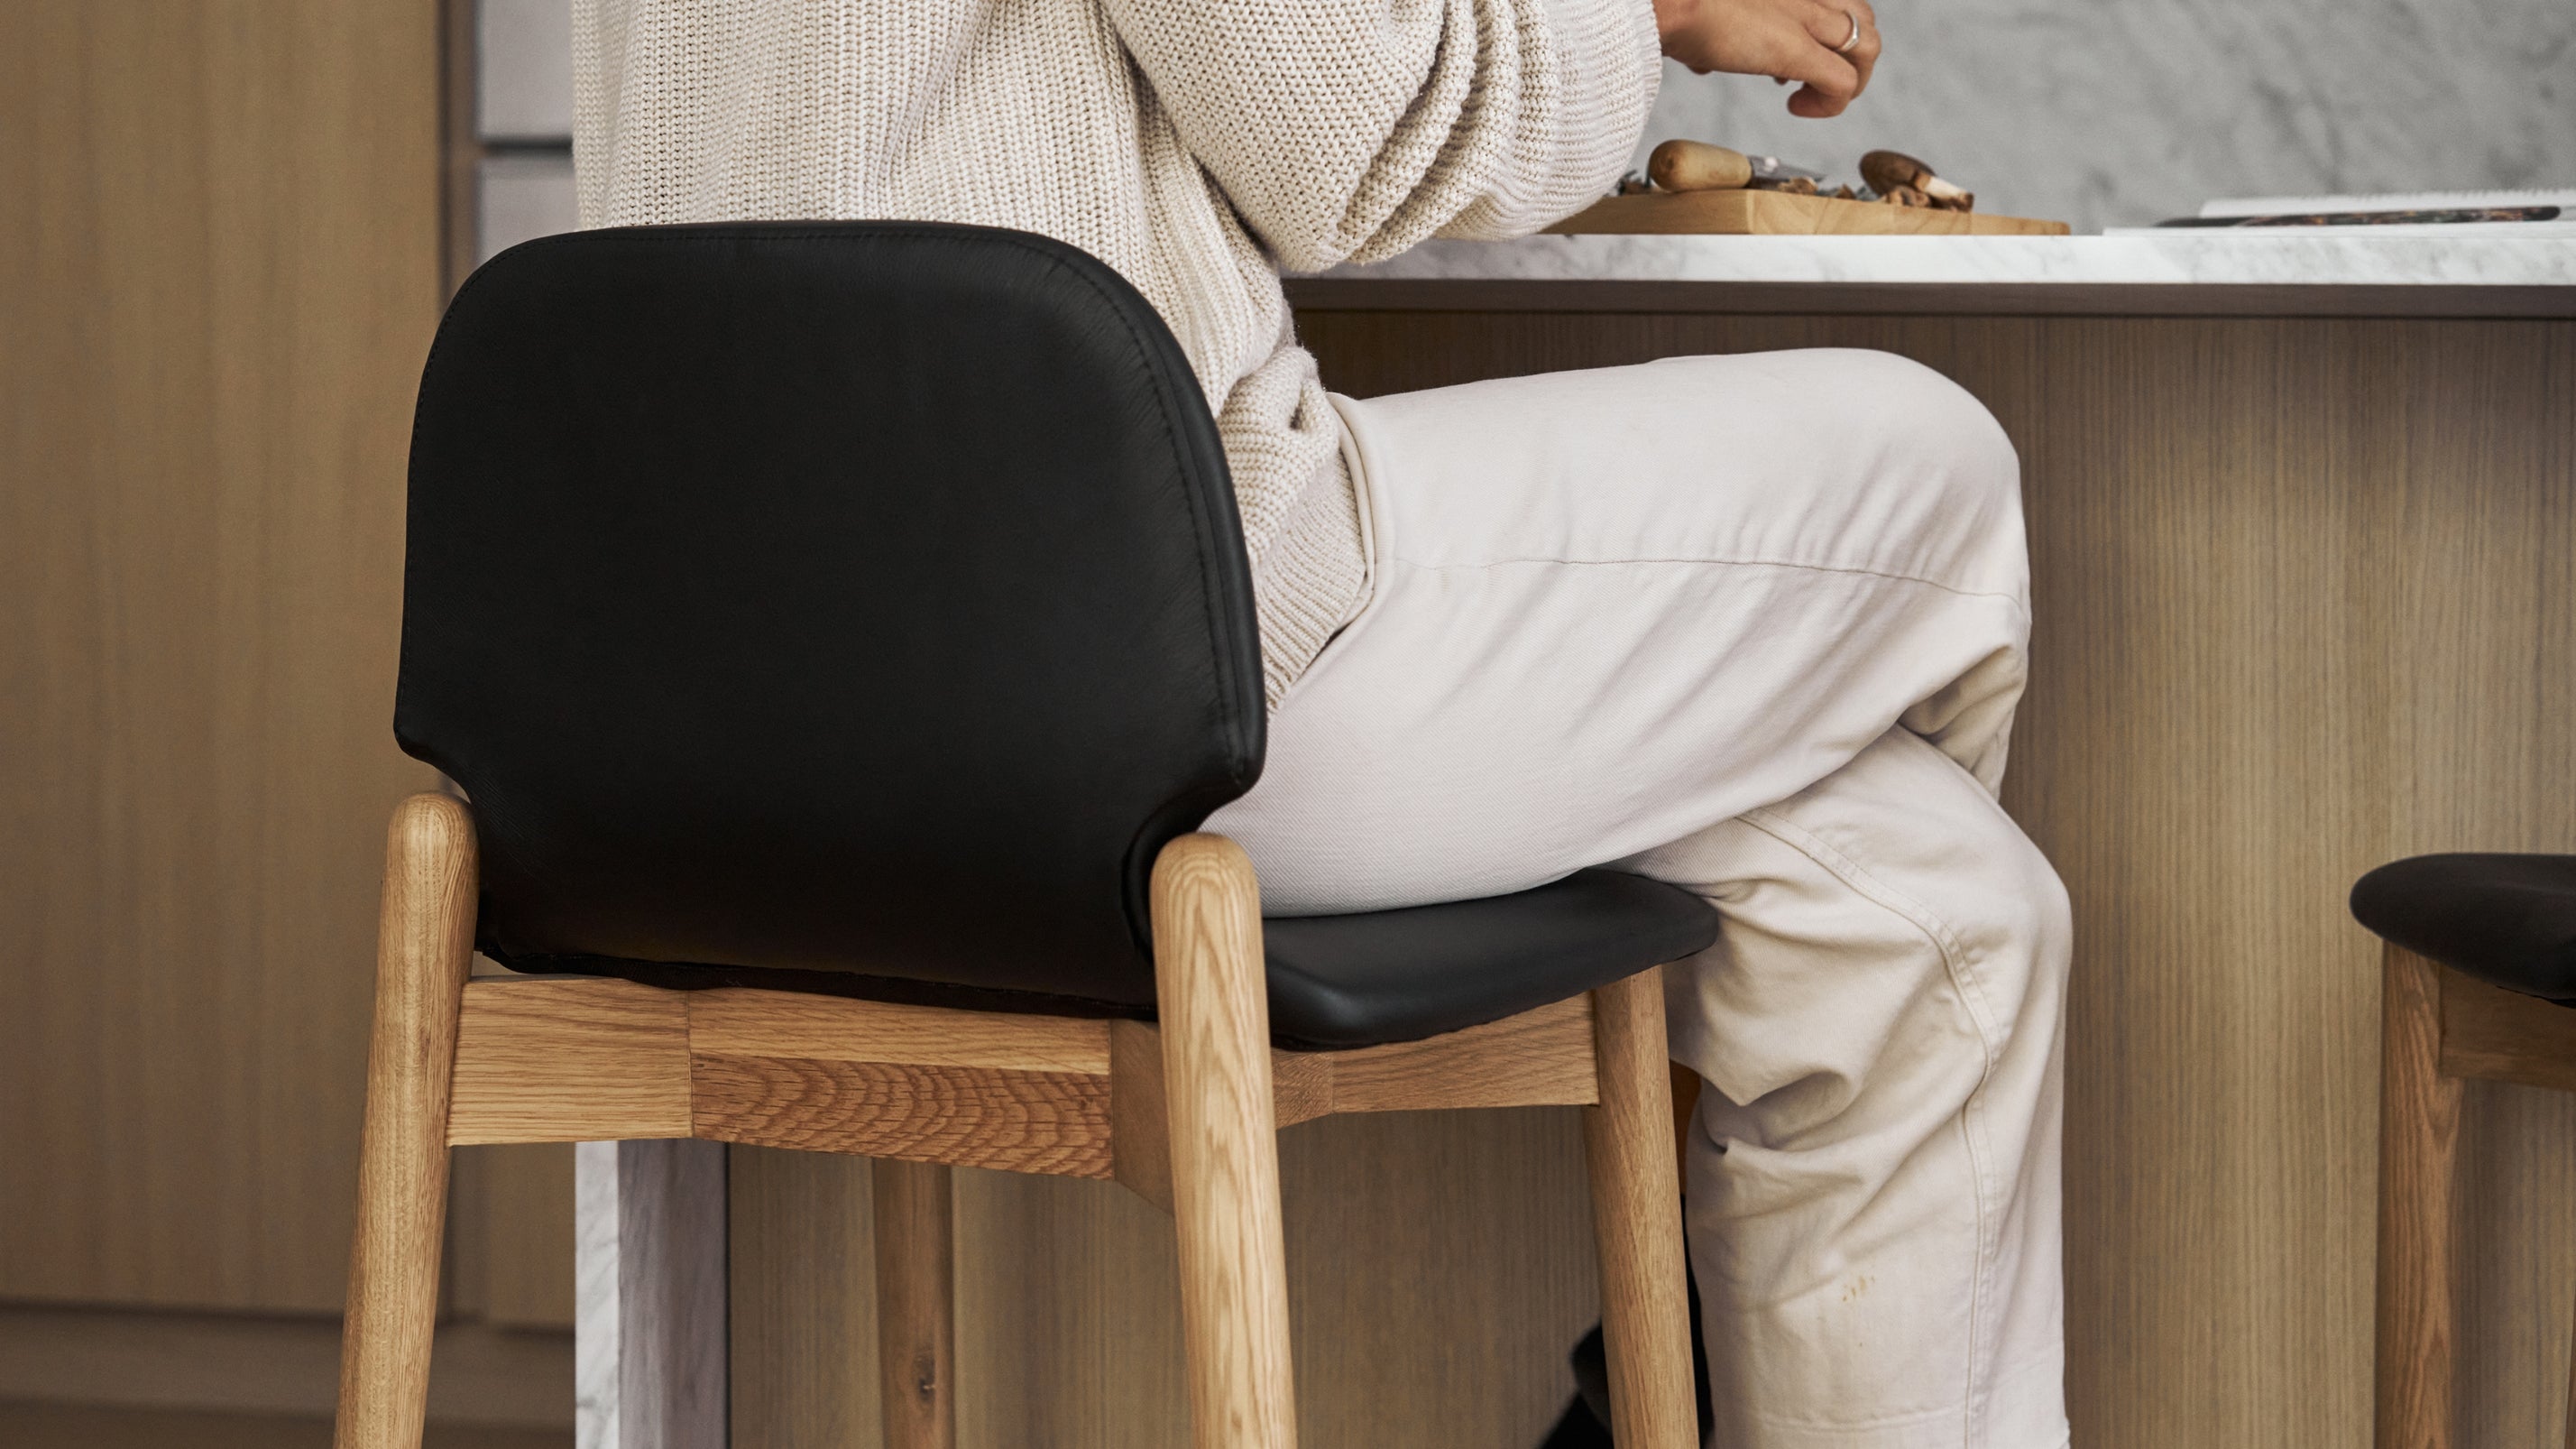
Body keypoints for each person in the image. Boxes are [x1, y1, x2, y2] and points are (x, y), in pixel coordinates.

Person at [572, 0, 2070, 1442]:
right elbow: (1358, 133)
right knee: (1936, 465)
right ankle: (1712, 1281)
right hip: (1131, 677)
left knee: (1939, 917)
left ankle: (1681, 1337)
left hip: (735, 726)